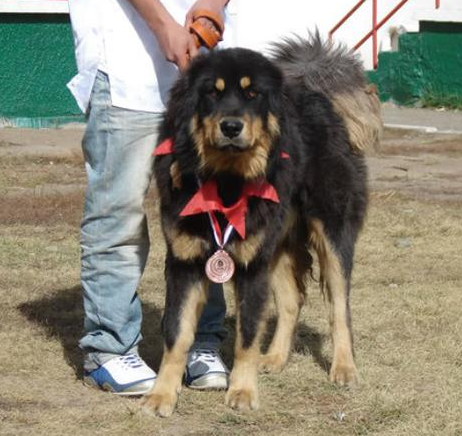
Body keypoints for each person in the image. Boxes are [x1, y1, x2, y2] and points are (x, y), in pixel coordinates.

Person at [67, 0, 233, 396]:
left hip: (205, 72)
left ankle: (200, 340)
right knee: (119, 211)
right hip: (125, 62)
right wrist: (162, 25)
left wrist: (213, 4)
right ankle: (109, 348)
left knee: (209, 213)